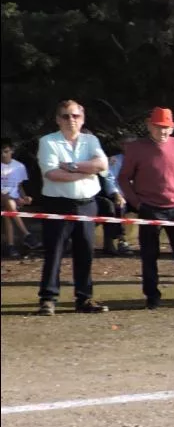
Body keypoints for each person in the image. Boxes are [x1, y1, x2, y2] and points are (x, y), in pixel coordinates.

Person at [118, 107, 174, 310]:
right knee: (149, 254)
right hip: (149, 207)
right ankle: (152, 297)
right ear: (149, 125)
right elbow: (123, 178)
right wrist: (137, 203)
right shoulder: (135, 148)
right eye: (159, 127)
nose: (163, 132)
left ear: (173, 127)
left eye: (167, 128)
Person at [35, 100, 110, 315]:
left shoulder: (91, 140)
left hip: (87, 204)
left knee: (86, 251)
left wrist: (72, 166)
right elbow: (52, 174)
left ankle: (84, 299)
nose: (71, 120)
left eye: (75, 116)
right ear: (58, 120)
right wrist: (87, 171)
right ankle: (48, 299)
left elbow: (102, 165)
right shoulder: (48, 142)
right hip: (58, 204)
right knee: (55, 252)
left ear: (82, 118)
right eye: (66, 116)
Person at [1, 138, 38, 257]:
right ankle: (27, 234)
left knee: (8, 212)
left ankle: (10, 246)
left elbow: (19, 186)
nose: (3, 155)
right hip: (5, 198)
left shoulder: (19, 166)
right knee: (8, 202)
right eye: (1, 152)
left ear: (11, 150)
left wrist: (24, 197)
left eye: (6, 151)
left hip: (13, 201)